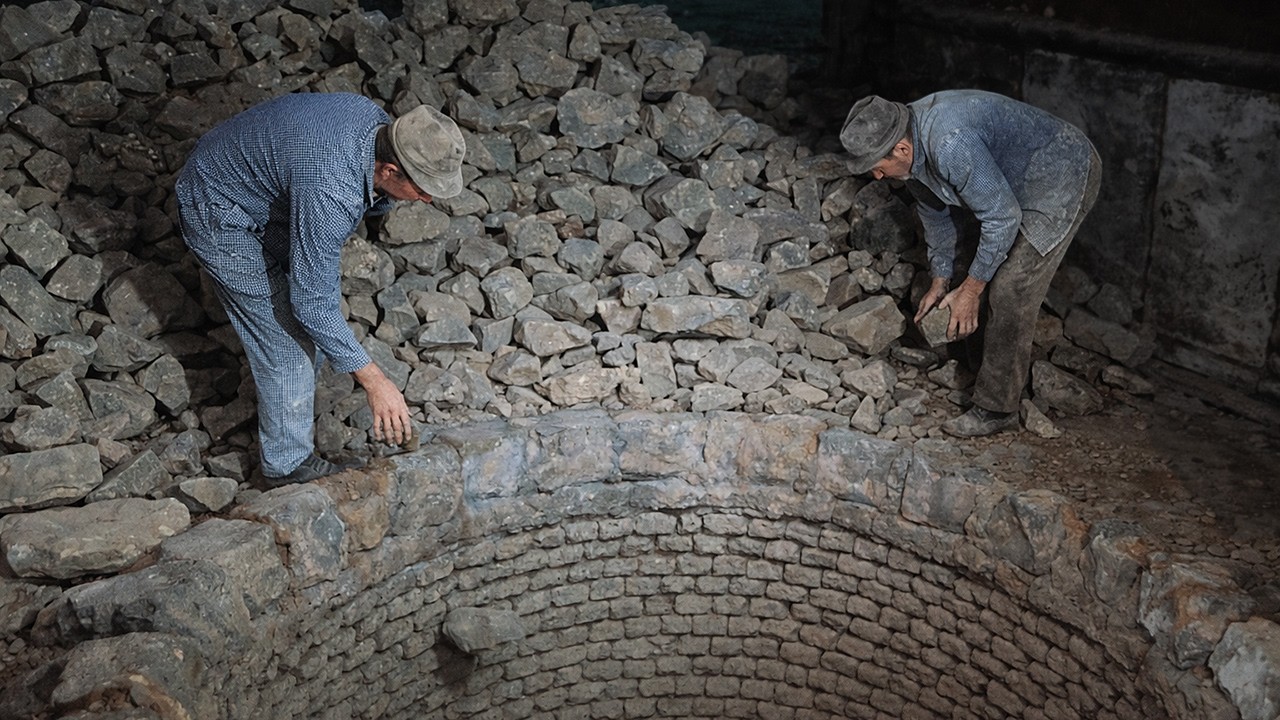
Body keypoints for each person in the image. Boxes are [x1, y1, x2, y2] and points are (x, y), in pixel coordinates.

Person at [175, 92, 466, 486]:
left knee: (308, 292)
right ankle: (286, 467)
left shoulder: (375, 123)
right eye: (422, 189)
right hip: (216, 206)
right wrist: (375, 382)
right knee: (288, 339)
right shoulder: (331, 187)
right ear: (390, 169)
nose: (428, 199)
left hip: (258, 187)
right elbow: (311, 303)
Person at [839, 89, 1101, 437]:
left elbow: (1003, 218)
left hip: (1060, 175)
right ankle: (980, 370)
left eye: (877, 168)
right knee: (972, 265)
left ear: (901, 150)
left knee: (1010, 288)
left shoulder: (949, 144)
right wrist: (941, 279)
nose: (877, 177)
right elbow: (934, 213)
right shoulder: (909, 147)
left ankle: (997, 408)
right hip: (1009, 184)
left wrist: (972, 289)